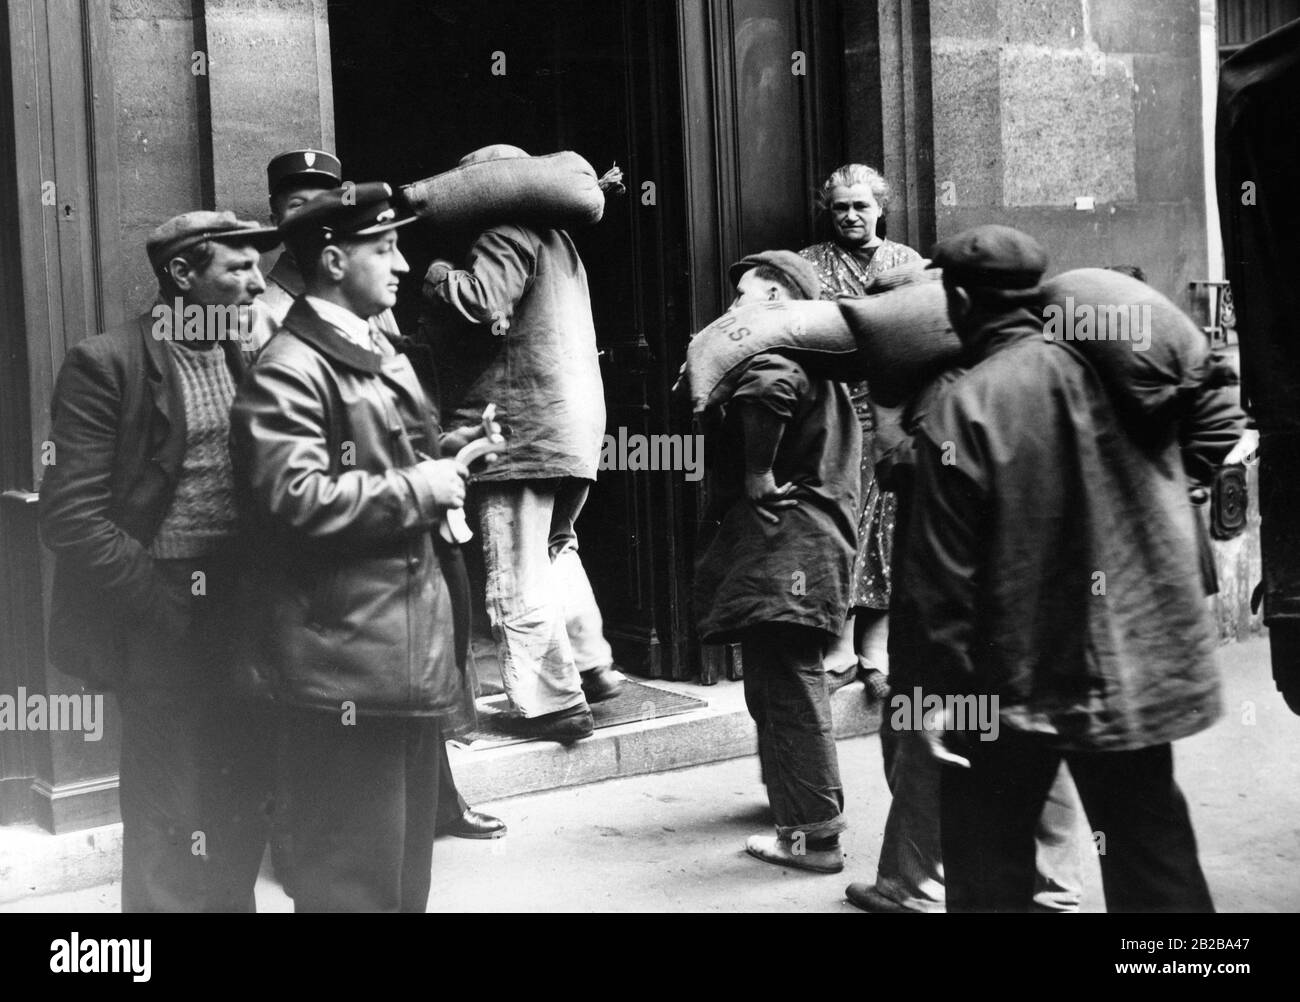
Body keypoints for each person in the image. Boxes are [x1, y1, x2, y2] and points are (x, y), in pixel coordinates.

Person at [900, 224, 1221, 912]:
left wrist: (938, 703)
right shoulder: (1118, 371)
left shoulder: (963, 407)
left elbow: (943, 589)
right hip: (1125, 664)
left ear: (958, 298)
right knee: (1151, 845)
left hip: (1011, 680)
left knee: (988, 863)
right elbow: (1203, 434)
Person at [229, 182, 494, 911]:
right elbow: (294, 500)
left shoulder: (366, 343)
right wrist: (425, 488)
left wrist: (451, 452)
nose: (403, 264)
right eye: (385, 249)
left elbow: (382, 459)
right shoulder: (290, 366)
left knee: (402, 887)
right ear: (334, 260)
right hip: (343, 669)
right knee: (352, 889)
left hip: (398, 656)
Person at [39, 210, 281, 911]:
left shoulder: (250, 353)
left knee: (242, 788)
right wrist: (158, 602)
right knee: (169, 797)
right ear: (181, 274)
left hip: (245, 602)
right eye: (237, 268)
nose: (257, 284)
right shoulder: (106, 362)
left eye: (257, 268)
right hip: (160, 606)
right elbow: (71, 518)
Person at [421, 144, 622, 743]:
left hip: (520, 428)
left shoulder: (505, 230)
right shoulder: (562, 243)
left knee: (514, 567)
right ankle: (590, 662)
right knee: (557, 546)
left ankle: (552, 702)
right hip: (573, 429)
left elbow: (482, 302)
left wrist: (435, 276)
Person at [693, 250, 860, 874]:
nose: (734, 306)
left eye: (744, 294)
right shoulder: (825, 365)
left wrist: (758, 470)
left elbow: (769, 389)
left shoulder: (775, 355)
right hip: (809, 545)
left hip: (788, 544)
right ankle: (793, 807)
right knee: (777, 679)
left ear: (777, 299)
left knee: (788, 683)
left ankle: (814, 836)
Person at [799, 164, 923, 696]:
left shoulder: (907, 264)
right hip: (834, 415)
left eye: (861, 206)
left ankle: (877, 654)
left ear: (881, 209)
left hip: (896, 414)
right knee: (842, 527)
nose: (850, 215)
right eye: (841, 207)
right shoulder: (808, 265)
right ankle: (839, 648)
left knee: (890, 532)